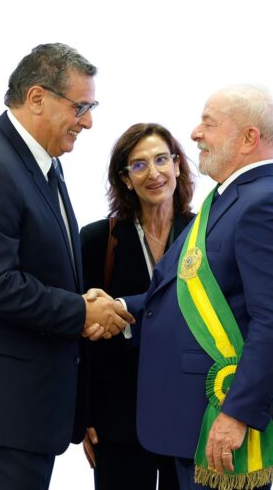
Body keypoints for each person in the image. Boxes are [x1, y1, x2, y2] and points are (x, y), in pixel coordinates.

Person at [0, 42, 133, 490]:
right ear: (37, 98)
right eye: (80, 107)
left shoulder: (39, 162)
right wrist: (81, 311)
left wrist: (83, 299)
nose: (88, 122)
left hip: (22, 408)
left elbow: (41, 263)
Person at [121, 85, 273, 490]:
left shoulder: (266, 205)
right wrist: (119, 308)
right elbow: (177, 295)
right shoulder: (228, 199)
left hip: (222, 424)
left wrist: (237, 413)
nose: (195, 134)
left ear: (248, 138)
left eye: (209, 124)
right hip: (192, 420)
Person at [79, 123, 195, 489]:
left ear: (177, 165)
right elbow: (81, 337)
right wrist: (83, 415)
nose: (154, 173)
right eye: (139, 165)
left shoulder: (205, 236)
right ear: (126, 179)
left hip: (190, 417)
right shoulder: (98, 240)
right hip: (118, 419)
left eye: (162, 159)